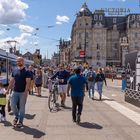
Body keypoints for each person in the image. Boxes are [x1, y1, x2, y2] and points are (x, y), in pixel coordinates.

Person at [6, 57, 31, 127]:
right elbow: (11, 81)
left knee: (22, 107)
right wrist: (8, 90)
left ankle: (20, 121)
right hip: (15, 91)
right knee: (12, 105)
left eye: (19, 61)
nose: (18, 62)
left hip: (23, 92)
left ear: (23, 61)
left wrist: (26, 92)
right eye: (17, 61)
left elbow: (28, 82)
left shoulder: (27, 71)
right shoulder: (14, 70)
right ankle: (17, 116)